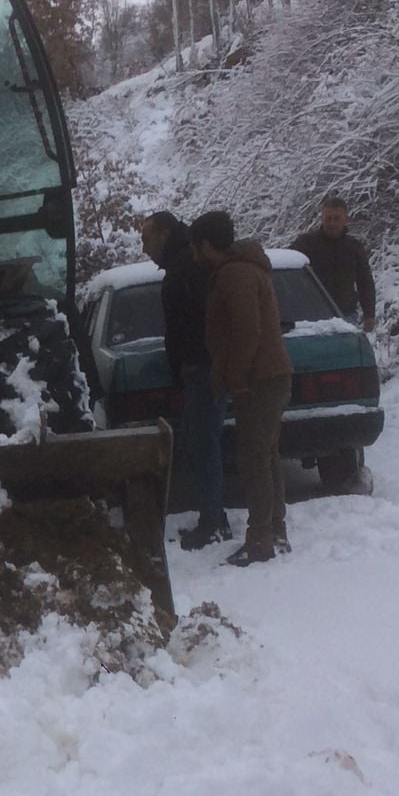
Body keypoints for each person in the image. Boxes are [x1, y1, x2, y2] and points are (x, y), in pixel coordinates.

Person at [193, 209, 292, 566]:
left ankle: (262, 539)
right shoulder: (245, 269)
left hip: (259, 380)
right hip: (269, 375)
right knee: (266, 455)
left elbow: (247, 331)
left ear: (206, 245)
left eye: (196, 247)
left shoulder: (234, 274)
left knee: (254, 459)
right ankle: (274, 531)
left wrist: (236, 378)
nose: (195, 255)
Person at [140, 211, 230, 549]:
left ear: (164, 235)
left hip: (204, 369)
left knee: (204, 443)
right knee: (198, 441)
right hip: (197, 368)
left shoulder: (189, 267)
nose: (144, 248)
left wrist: (194, 359)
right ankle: (212, 517)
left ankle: (214, 521)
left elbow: (201, 318)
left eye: (146, 239)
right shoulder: (184, 264)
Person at [291, 194, 377, 332]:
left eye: (336, 219)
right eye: (328, 218)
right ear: (322, 218)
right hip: (311, 320)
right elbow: (288, 273)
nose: (331, 223)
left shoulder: (354, 247)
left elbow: (365, 282)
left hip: (346, 317)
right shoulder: (305, 244)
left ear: (345, 219)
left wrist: (369, 315)